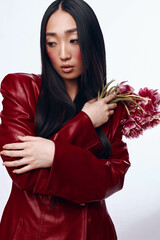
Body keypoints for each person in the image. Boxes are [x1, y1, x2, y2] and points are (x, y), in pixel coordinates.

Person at [0, 0, 130, 239]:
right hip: (34, 233)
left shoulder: (108, 105)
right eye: (52, 42)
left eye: (74, 40)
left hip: (93, 232)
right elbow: (23, 173)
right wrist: (85, 122)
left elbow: (113, 178)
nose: (62, 54)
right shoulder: (21, 89)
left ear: (92, 41)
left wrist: (52, 154)